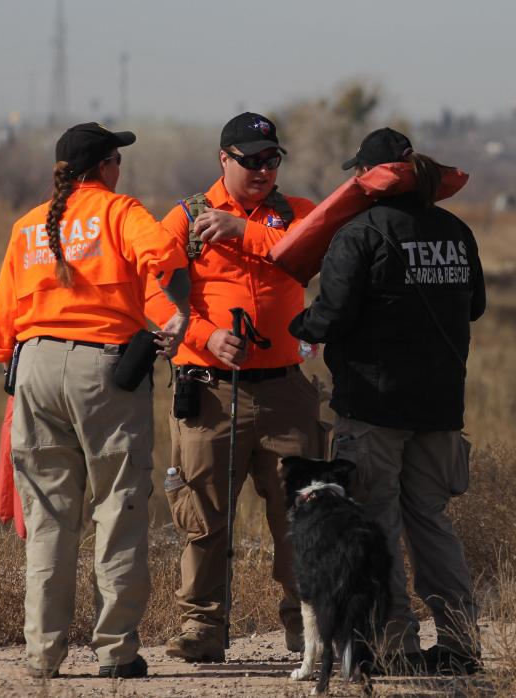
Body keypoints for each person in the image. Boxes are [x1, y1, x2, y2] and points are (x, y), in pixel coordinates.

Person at [0, 122, 191, 679]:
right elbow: (166, 256)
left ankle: (43, 655)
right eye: (116, 160)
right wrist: (176, 315)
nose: (120, 169)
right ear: (103, 167)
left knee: (48, 517)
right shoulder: (120, 211)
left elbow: (0, 329)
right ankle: (116, 652)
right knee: (117, 507)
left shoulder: (27, 226)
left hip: (32, 368)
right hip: (104, 371)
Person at [290, 128, 487, 675]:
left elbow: (329, 317)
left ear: (369, 179)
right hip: (441, 408)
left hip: (373, 409)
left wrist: (298, 324)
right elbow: (475, 307)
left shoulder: (359, 234)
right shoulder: (456, 231)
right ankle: (460, 643)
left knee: (378, 526)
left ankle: (394, 646)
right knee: (432, 521)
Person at [144, 112, 323, 663]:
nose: (264, 170)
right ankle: (202, 626)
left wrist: (245, 231)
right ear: (224, 158)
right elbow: (147, 288)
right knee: (203, 517)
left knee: (302, 516)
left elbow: (317, 250)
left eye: (273, 160)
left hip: (287, 391)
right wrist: (203, 334)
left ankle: (306, 628)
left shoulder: (296, 213)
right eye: (252, 161)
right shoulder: (186, 216)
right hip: (210, 392)